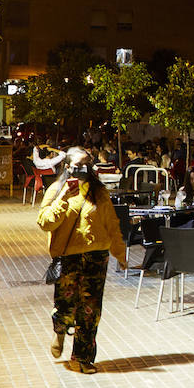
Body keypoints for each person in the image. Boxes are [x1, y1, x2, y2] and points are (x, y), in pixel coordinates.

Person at [37, 147, 125, 374]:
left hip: (97, 256)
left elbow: (111, 223)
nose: (83, 170)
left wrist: (119, 251)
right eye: (78, 166)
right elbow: (45, 222)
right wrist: (63, 198)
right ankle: (60, 331)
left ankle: (82, 358)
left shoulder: (99, 192)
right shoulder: (56, 190)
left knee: (90, 310)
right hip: (68, 257)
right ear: (67, 167)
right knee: (66, 306)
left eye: (87, 165)